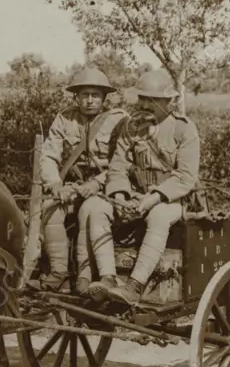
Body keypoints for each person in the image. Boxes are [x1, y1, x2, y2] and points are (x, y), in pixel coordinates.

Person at [80, 69, 201, 305]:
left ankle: (135, 287)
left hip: (172, 201)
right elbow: (118, 166)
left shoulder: (184, 129)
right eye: (141, 98)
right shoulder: (131, 127)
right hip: (135, 196)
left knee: (158, 215)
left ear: (169, 101)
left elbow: (186, 176)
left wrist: (153, 198)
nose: (144, 104)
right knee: (95, 206)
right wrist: (120, 195)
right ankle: (108, 280)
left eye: (151, 100)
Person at [33, 66, 127, 295]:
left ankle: (89, 277)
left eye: (95, 95)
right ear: (77, 97)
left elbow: (123, 161)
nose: (89, 101)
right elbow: (49, 155)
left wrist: (97, 184)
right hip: (72, 186)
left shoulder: (119, 120)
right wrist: (55, 184)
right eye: (84, 95)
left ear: (104, 97)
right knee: (49, 208)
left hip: (106, 187)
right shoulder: (65, 118)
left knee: (89, 209)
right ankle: (59, 274)